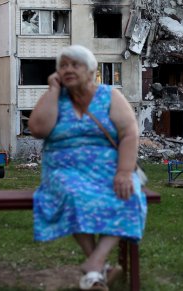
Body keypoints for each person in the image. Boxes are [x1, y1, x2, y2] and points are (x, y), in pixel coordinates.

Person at [29, 45, 147, 291]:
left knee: (129, 193)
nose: (68, 69)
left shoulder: (110, 96)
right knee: (74, 194)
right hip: (64, 169)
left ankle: (94, 264)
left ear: (91, 70)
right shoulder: (55, 98)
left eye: (75, 65)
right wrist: (52, 90)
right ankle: (97, 270)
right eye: (63, 65)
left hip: (109, 167)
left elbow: (129, 133)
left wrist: (125, 172)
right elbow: (38, 129)